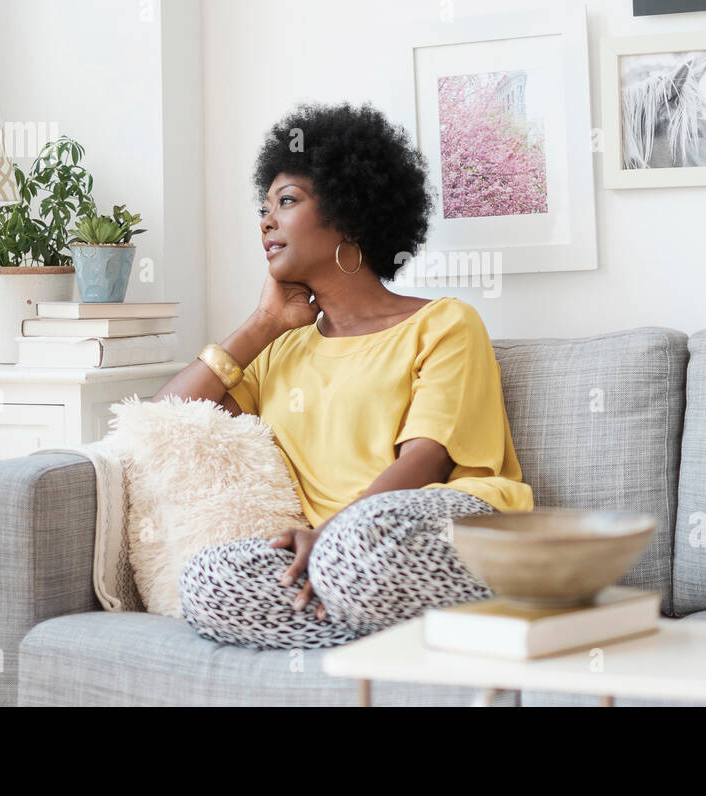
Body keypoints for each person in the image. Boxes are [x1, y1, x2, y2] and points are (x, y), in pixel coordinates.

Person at [154, 101, 533, 651]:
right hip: (332, 556)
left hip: (444, 526)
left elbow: (426, 460)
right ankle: (407, 635)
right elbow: (167, 422)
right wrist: (261, 325)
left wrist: (334, 534)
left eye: (287, 202)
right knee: (209, 581)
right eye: (263, 209)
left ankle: (387, 608)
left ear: (350, 216)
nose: (266, 221)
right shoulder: (279, 349)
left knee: (356, 555)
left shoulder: (445, 324)